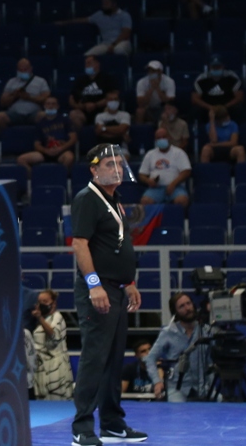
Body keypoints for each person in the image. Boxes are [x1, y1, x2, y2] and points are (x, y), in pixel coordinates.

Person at [70, 145, 146, 446]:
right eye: (109, 164)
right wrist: (94, 285)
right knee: (95, 358)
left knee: (114, 360)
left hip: (116, 288)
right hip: (98, 290)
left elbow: (115, 246)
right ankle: (82, 428)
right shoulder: (87, 198)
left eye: (119, 164)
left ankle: (112, 424)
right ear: (94, 169)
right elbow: (79, 244)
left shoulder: (113, 200)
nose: (117, 169)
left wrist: (129, 282)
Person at [146, 293, 210, 402]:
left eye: (188, 303)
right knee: (176, 409)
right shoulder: (168, 332)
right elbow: (150, 358)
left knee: (220, 404)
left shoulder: (205, 330)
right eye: (182, 306)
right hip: (177, 388)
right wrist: (157, 381)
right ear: (175, 312)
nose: (187, 308)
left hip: (203, 386)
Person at [30, 289, 74, 401]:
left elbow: (54, 337)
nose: (41, 304)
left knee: (57, 402)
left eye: (45, 301)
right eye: (39, 302)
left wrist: (39, 318)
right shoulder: (40, 320)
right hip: (41, 367)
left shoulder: (57, 317)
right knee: (43, 403)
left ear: (53, 303)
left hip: (56, 368)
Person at [16, 97, 77, 174]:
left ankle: (59, 176)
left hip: (62, 151)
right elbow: (36, 144)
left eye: (53, 104)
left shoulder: (65, 120)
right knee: (21, 159)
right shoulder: (40, 123)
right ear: (44, 106)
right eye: (48, 104)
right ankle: (35, 178)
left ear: (58, 106)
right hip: (45, 152)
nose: (50, 106)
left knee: (69, 157)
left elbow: (73, 138)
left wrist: (61, 148)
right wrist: (46, 151)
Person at [59, 0, 132, 57]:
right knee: (88, 56)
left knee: (119, 50)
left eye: (106, 4)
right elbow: (83, 20)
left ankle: (126, 67)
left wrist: (114, 45)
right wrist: (63, 22)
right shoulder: (99, 15)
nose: (104, 6)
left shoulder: (124, 15)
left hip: (122, 42)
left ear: (114, 4)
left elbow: (126, 33)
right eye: (103, 4)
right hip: (106, 44)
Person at [0, 58, 51, 132]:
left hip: (34, 113)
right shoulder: (11, 82)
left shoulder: (41, 81)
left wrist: (29, 98)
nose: (23, 71)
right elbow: (3, 102)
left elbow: (46, 99)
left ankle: (45, 138)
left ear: (31, 69)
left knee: (44, 115)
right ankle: (3, 138)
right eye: (21, 70)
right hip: (14, 114)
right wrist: (15, 96)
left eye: (25, 69)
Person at [139, 129, 191, 206]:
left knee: (182, 200)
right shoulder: (150, 154)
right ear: (155, 140)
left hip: (176, 187)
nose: (162, 139)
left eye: (164, 137)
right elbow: (141, 174)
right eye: (159, 138)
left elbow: (187, 171)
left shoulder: (179, 153)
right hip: (156, 189)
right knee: (145, 201)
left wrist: (173, 184)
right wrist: (148, 181)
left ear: (169, 138)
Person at [68, 56, 118, 132]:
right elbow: (71, 98)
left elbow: (114, 95)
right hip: (84, 110)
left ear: (97, 64)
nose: (86, 65)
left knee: (110, 111)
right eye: (86, 63)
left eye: (89, 63)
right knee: (74, 114)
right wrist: (79, 106)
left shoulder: (107, 78)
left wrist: (96, 105)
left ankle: (106, 136)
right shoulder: (80, 80)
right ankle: (80, 137)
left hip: (103, 109)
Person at [191, 56, 244, 122]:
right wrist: (210, 107)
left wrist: (224, 107)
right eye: (214, 67)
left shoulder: (232, 77)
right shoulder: (201, 79)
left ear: (223, 66)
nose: (216, 69)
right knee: (196, 110)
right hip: (208, 106)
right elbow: (195, 99)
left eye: (218, 67)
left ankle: (237, 127)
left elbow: (239, 97)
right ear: (209, 67)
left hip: (227, 105)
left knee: (238, 108)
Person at [134, 61, 175, 125]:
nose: (151, 73)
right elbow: (140, 103)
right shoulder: (141, 82)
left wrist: (158, 88)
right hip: (148, 107)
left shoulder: (169, 81)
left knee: (170, 110)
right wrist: (152, 89)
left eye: (153, 71)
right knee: (140, 111)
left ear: (160, 71)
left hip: (162, 108)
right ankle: (140, 130)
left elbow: (171, 101)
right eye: (149, 70)